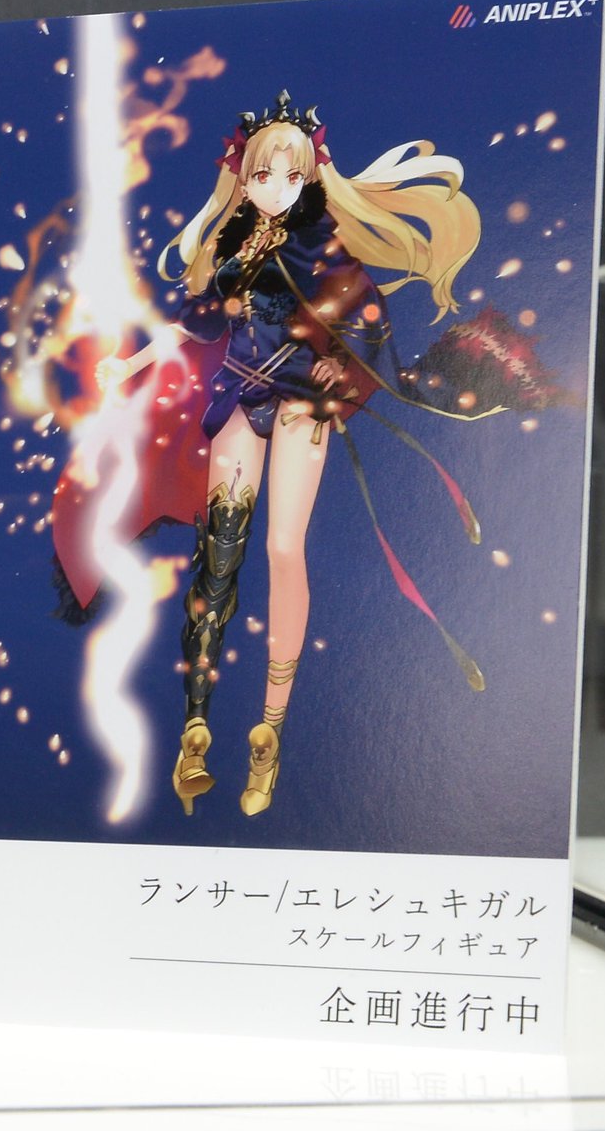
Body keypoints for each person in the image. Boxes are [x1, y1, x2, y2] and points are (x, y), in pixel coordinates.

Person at [91, 90, 485, 817]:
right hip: (241, 396)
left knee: (282, 548)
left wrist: (342, 365)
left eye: (291, 175)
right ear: (243, 177)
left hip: (303, 404)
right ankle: (196, 724)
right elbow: (195, 324)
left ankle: (269, 729)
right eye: (263, 175)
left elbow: (366, 319)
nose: (276, 187)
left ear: (310, 176)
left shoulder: (324, 246)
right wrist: (130, 364)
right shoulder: (234, 246)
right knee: (221, 548)